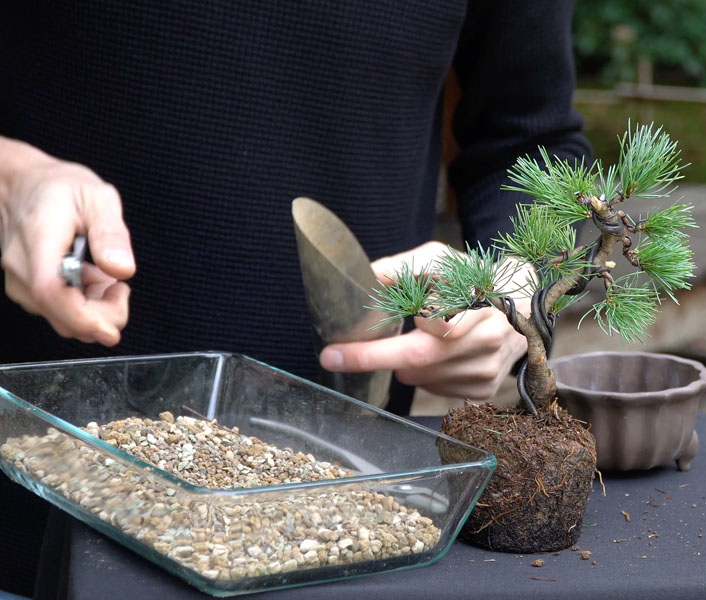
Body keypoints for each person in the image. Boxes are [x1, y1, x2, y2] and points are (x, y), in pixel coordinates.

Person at [0, 1, 591, 595]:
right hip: (39, 496)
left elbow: (531, 136)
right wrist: (10, 179)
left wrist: (514, 284)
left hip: (358, 514)